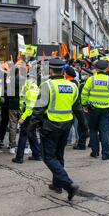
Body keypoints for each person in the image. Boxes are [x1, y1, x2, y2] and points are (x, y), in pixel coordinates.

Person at [28, 58, 80, 201]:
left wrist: (30, 128)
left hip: (51, 127)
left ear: (50, 70)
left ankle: (68, 184)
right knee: (58, 155)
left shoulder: (47, 86)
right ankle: (57, 184)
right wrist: (83, 126)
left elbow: (38, 109)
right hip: (66, 125)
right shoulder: (72, 86)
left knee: (49, 157)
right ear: (63, 70)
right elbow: (77, 108)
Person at [81, 60, 109, 160]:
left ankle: (95, 152)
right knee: (104, 131)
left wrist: (84, 105)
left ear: (96, 69)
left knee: (93, 130)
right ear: (106, 69)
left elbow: (84, 93)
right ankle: (105, 154)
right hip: (105, 110)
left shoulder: (91, 80)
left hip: (92, 109)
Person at [12, 65, 42, 163]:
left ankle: (19, 157)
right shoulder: (30, 87)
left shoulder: (31, 90)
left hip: (29, 115)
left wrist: (23, 117)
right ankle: (37, 154)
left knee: (23, 134)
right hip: (32, 115)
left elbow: (29, 108)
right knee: (32, 134)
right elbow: (23, 101)